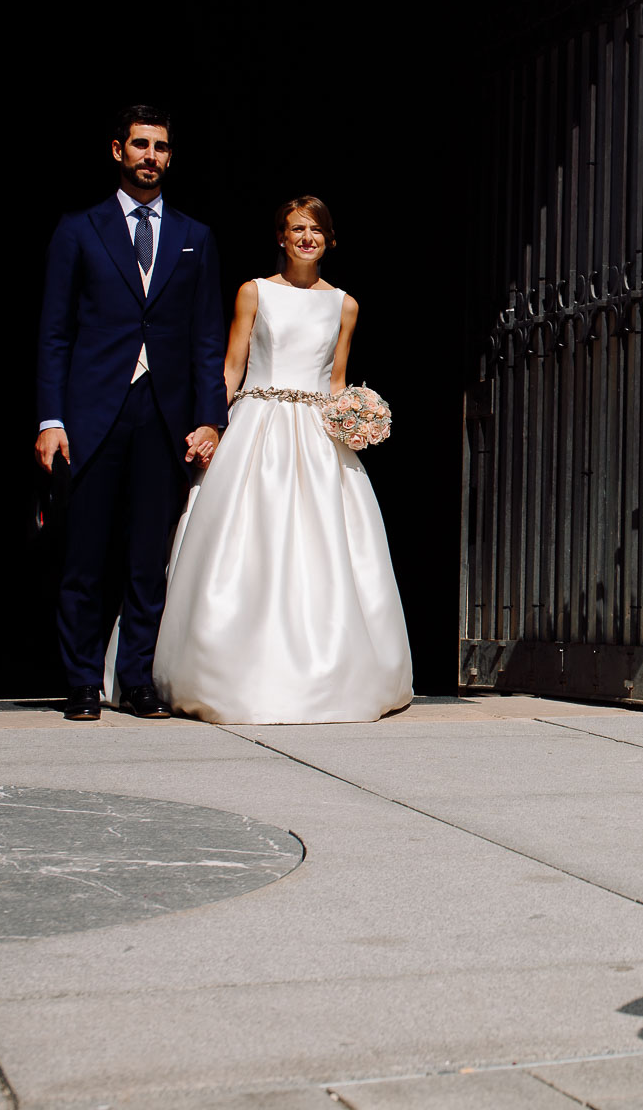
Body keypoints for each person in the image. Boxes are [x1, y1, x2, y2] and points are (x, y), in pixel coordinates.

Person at [153, 197, 414, 723]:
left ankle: (334, 671)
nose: (306, 237)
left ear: (330, 240)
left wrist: (355, 418)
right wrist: (211, 424)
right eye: (297, 228)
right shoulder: (254, 293)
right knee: (248, 542)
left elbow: (337, 379)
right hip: (258, 426)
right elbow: (231, 368)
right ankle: (225, 668)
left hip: (317, 437)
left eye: (316, 229)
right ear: (280, 236)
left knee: (327, 549)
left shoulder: (345, 304)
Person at [35, 106, 227, 722]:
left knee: (150, 556)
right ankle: (82, 682)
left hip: (165, 414)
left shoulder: (196, 235)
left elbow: (206, 338)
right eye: (141, 144)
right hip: (93, 411)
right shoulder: (79, 228)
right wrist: (50, 418)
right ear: (117, 150)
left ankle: (137, 679)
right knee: (85, 555)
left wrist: (211, 418)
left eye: (162, 146)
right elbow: (54, 333)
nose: (151, 155)